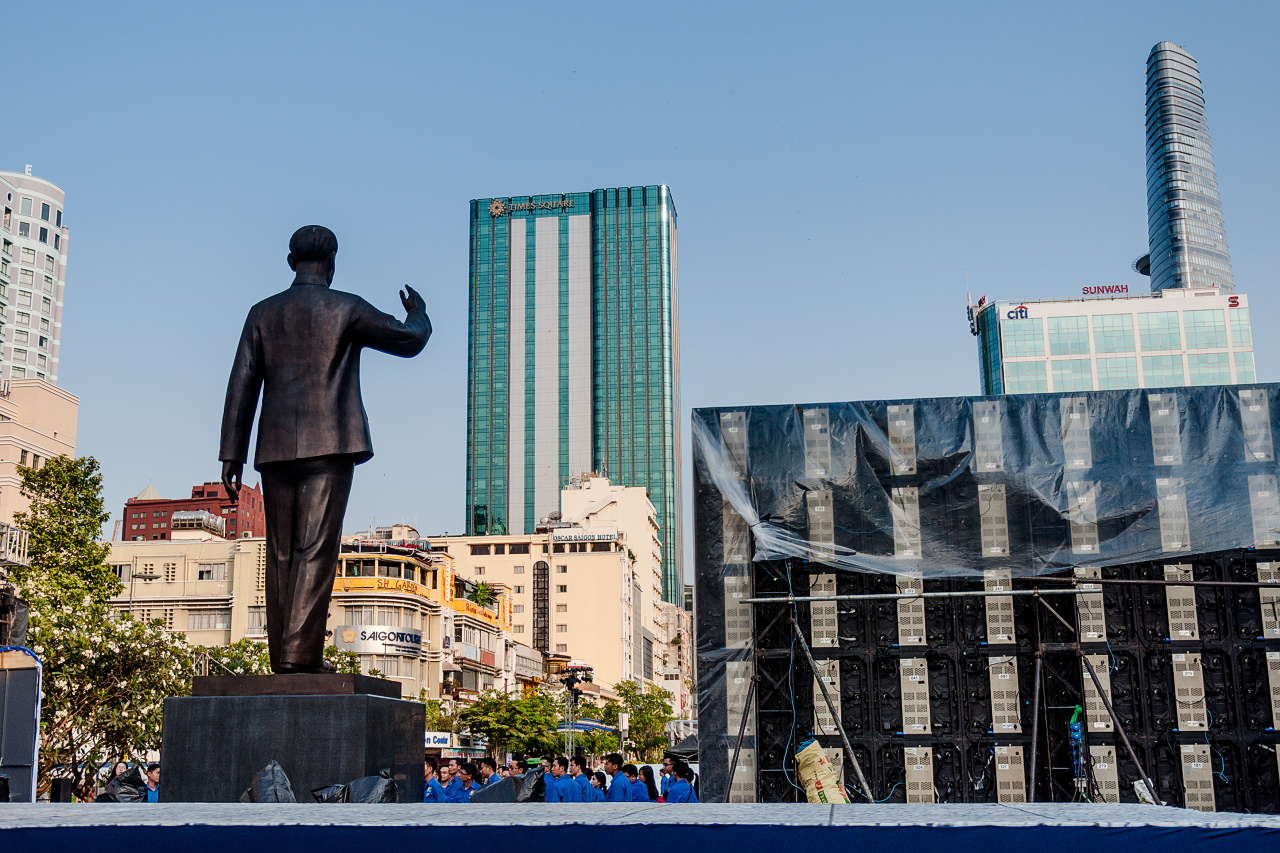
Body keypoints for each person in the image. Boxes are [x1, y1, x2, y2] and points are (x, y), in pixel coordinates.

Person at [218, 224, 431, 673]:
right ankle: (299, 657)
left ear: (290, 261)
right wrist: (419, 312)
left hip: (274, 447)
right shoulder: (346, 307)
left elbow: (241, 383)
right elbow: (408, 338)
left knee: (280, 553)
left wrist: (232, 453)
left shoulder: (262, 313)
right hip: (330, 443)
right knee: (314, 548)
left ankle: (285, 657)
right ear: (332, 262)